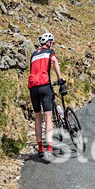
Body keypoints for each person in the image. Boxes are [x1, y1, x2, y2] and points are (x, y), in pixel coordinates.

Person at [28, 32, 64, 162]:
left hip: (33, 88)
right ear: (48, 43)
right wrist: (60, 79)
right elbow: (54, 62)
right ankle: (49, 147)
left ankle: (40, 147)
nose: (52, 44)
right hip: (44, 86)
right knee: (48, 116)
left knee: (38, 117)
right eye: (52, 42)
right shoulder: (50, 52)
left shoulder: (33, 54)